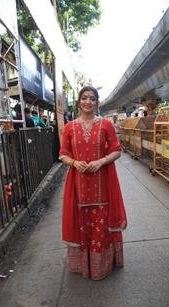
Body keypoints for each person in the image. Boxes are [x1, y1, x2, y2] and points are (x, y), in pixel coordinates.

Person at [59, 86, 127, 280]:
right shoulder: (69, 127)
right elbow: (63, 154)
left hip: (102, 184)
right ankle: (84, 266)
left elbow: (116, 150)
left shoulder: (106, 124)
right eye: (84, 98)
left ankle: (101, 267)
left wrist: (101, 162)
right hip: (78, 186)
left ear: (97, 103)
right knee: (81, 223)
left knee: (101, 223)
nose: (87, 102)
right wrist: (74, 162)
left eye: (92, 98)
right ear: (79, 101)